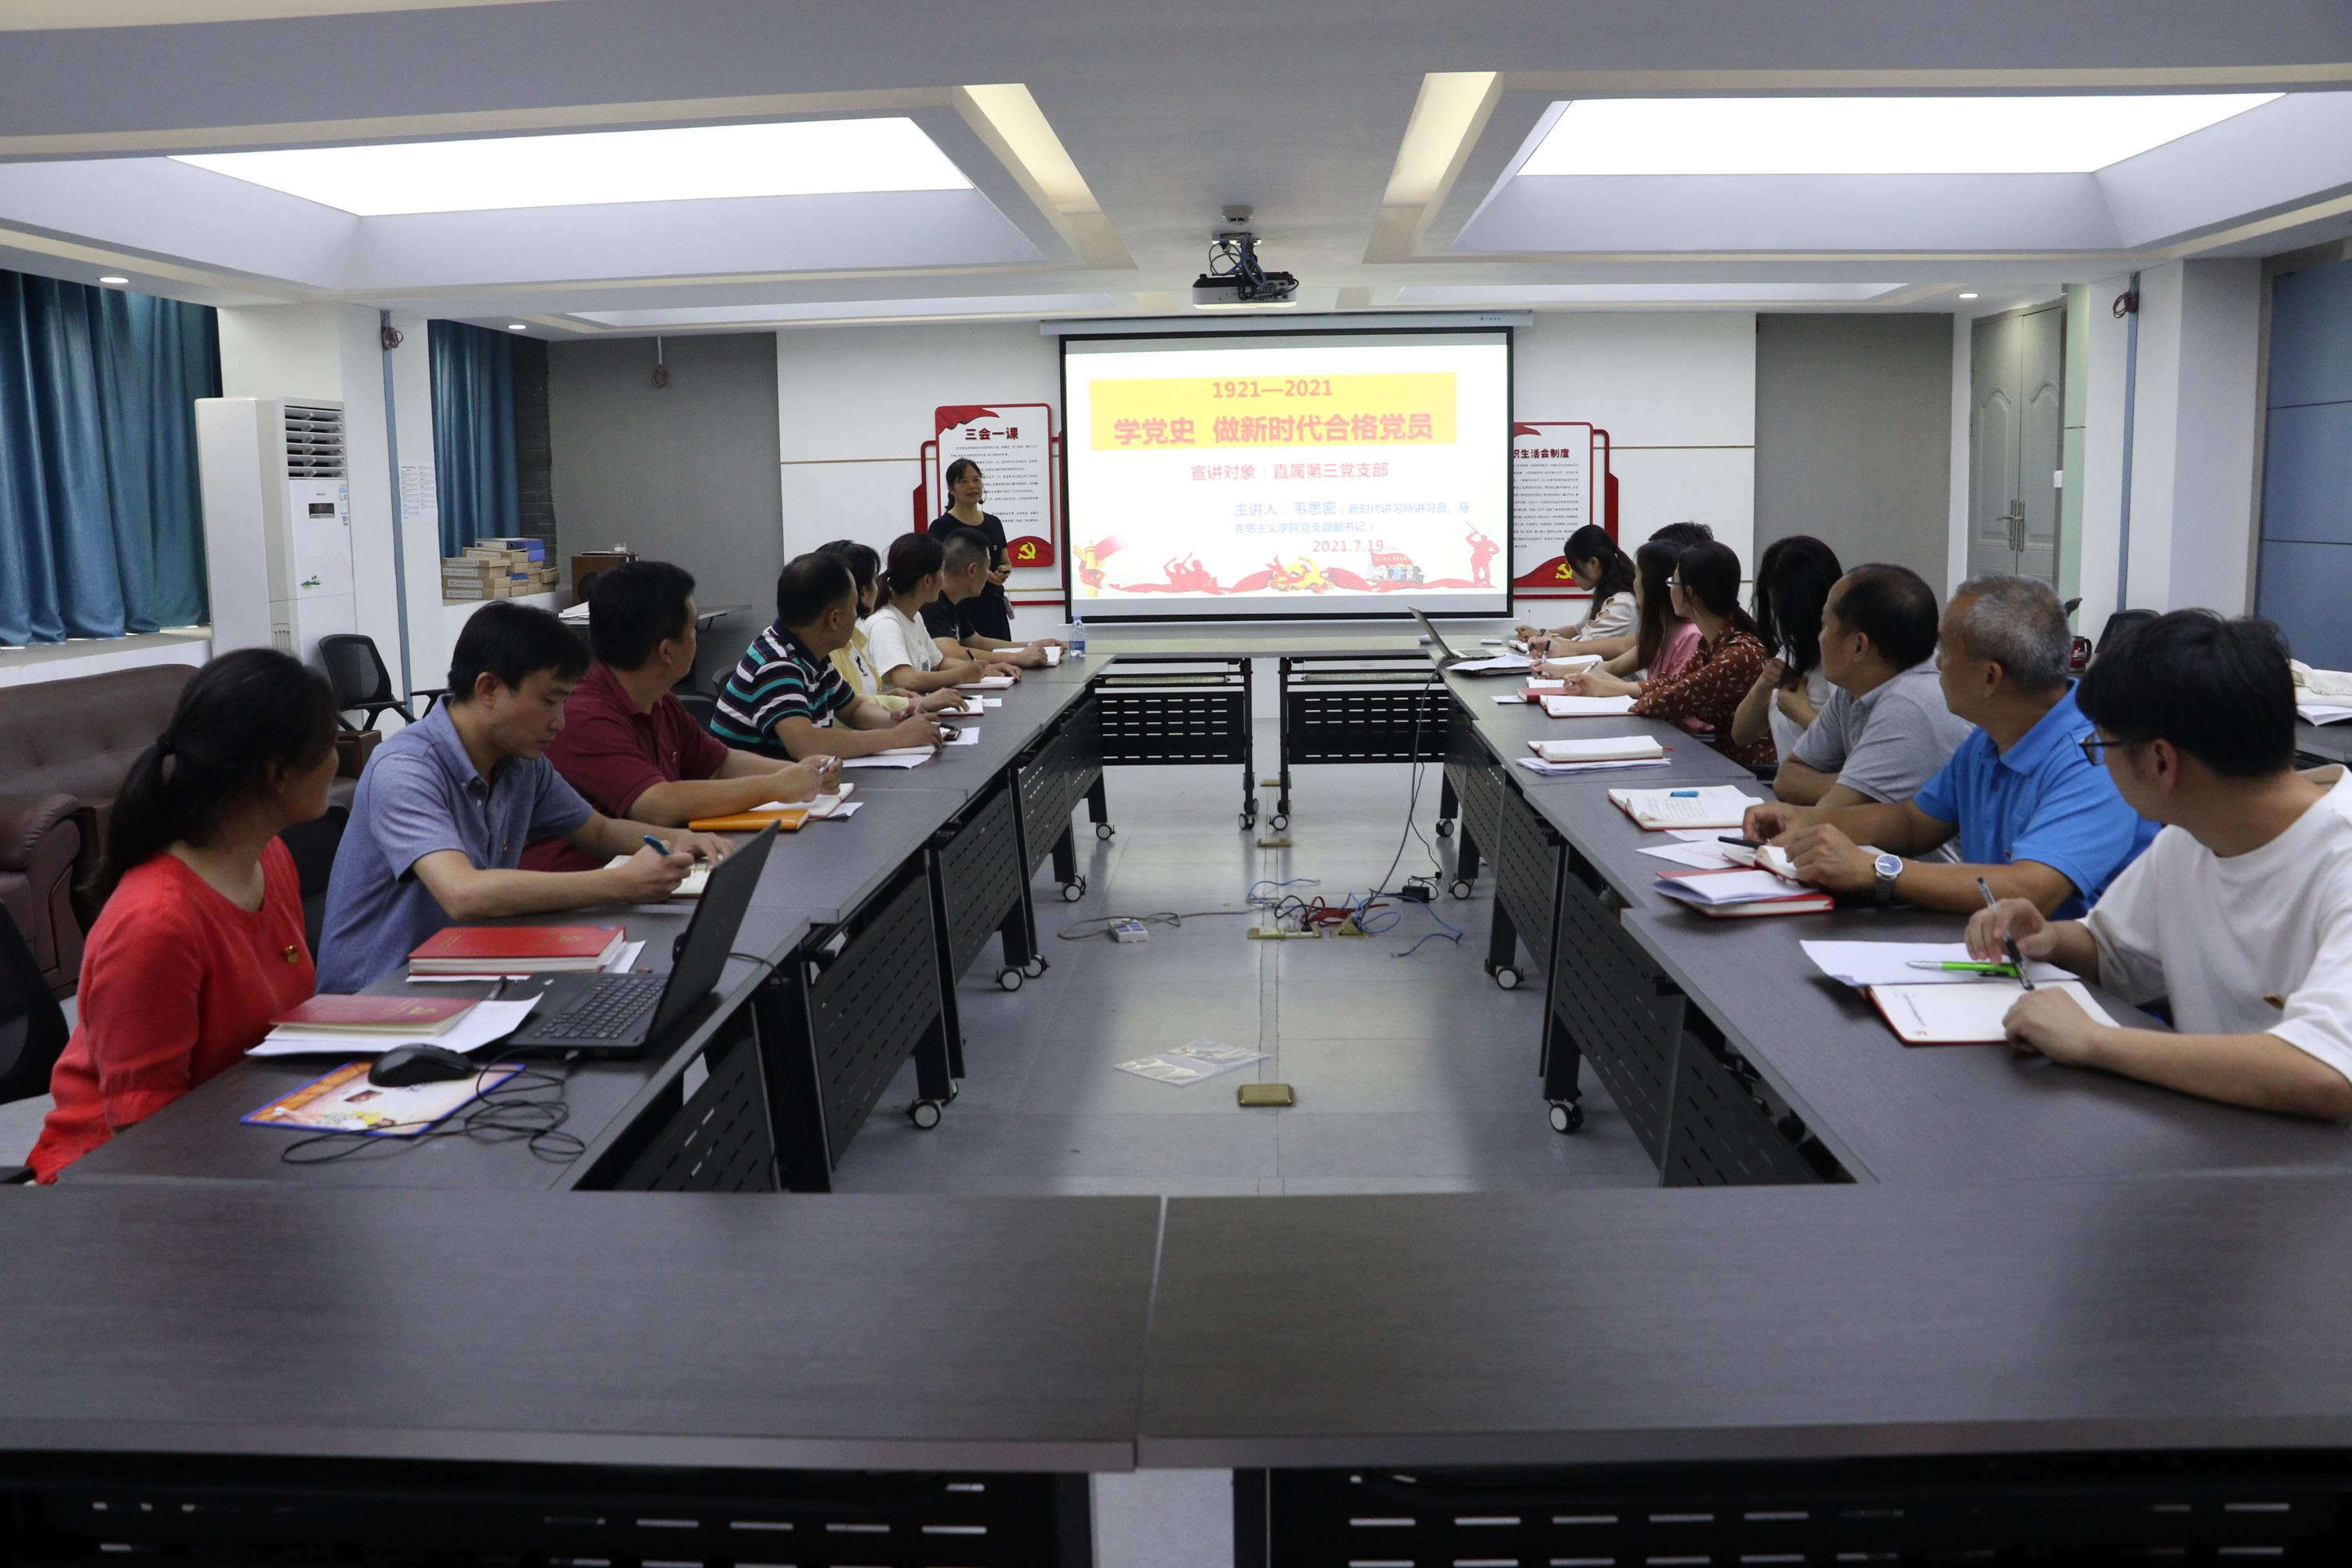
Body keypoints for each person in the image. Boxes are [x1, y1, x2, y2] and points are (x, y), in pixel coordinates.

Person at [1966, 611, 2352, 1120]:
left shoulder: (2339, 857)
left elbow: (2327, 1072)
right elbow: (2116, 952)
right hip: (2220, 1128)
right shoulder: (2191, 837)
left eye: (2100, 746)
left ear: (2161, 762)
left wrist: (2094, 1041)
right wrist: (2049, 939)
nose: (2099, 762)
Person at [24, 651, 340, 1181]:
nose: (337, 760)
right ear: (278, 773)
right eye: (329, 745)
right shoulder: (157, 922)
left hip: (239, 1137)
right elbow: (145, 1142)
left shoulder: (270, 860)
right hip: (113, 1185)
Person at [316, 602, 731, 993]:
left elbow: (599, 832)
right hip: (379, 997)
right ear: (489, 688)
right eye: (549, 701)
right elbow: (463, 893)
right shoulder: (406, 768)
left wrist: (678, 840)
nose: (560, 722)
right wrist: (619, 884)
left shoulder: (518, 762)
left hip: (465, 971)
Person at [1742, 575, 2158, 918]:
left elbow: (2031, 889)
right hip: (1998, 953)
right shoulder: (1991, 737)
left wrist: (1877, 869)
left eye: (1947, 651)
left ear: (1990, 678)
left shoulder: (2096, 757)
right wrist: (1804, 821)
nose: (1937, 663)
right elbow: (1913, 822)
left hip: (2076, 981)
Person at [521, 560, 834, 873]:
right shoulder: (584, 713)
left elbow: (719, 764)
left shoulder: (658, 700)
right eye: (693, 630)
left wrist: (801, 774)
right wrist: (775, 786)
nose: (695, 640)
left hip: (649, 868)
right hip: (583, 884)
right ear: (666, 652)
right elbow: (657, 804)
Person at [1772, 564, 1973, 819]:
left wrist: (1852, 786)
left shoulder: (1910, 705)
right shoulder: (1856, 686)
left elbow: (1829, 815)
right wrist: (1854, 782)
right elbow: (1786, 779)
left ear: (1859, 646)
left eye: (1824, 625)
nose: (1819, 637)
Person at [1558, 539, 1778, 768]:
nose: (1668, 588)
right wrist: (1604, 687)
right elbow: (1673, 684)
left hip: (1745, 768)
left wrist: (1609, 689)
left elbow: (1672, 698)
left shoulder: (1737, 652)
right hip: (1720, 760)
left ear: (1690, 593)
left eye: (1672, 582)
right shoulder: (1713, 642)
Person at [713, 552, 947, 760]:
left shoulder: (813, 654)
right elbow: (806, 744)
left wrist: (894, 720)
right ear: (834, 619)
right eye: (854, 607)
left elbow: (853, 709)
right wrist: (896, 737)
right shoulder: (776, 663)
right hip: (753, 792)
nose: (857, 615)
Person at [816, 538, 966, 717]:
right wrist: (962, 674)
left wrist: (889, 697)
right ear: (861, 593)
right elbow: (846, 711)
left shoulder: (852, 640)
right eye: (874, 580)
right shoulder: (880, 625)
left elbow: (855, 700)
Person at [1731, 535, 1842, 760]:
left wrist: (1801, 714)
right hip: (1790, 780)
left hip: (1824, 782)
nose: (1782, 619)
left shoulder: (1842, 660)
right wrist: (1764, 684)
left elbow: (1855, 752)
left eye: (1787, 609)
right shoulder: (1793, 645)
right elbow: (1741, 735)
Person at [1542, 537, 1697, 687]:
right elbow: (1611, 667)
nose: (1633, 582)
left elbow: (1667, 695)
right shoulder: (1660, 632)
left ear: (1651, 585)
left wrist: (1603, 684)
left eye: (1638, 575)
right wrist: (1557, 670)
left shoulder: (1689, 636)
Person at [869, 532, 994, 699]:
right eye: (942, 572)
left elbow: (939, 663)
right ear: (927, 580)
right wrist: (962, 674)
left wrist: (983, 668)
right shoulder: (885, 623)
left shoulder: (915, 616)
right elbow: (908, 680)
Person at [922, 528, 1063, 670]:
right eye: (987, 568)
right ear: (972, 570)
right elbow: (951, 653)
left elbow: (977, 642)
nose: (988, 575)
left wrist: (1031, 646)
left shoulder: (953, 600)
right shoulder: (931, 602)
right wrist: (1015, 658)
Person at [1516, 524, 1637, 659]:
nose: (1572, 575)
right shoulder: (1606, 595)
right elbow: (1578, 630)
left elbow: (1582, 646)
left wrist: (1542, 636)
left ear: (1593, 563)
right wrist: (1538, 633)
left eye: (1573, 567)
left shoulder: (1622, 604)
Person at [930, 457, 1013, 642]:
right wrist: (985, 574)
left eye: (976, 480)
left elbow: (1006, 561)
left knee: (1002, 652)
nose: (972, 486)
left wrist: (1003, 571)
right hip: (962, 604)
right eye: (964, 481)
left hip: (993, 605)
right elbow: (938, 568)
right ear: (951, 489)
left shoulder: (994, 523)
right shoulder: (941, 526)